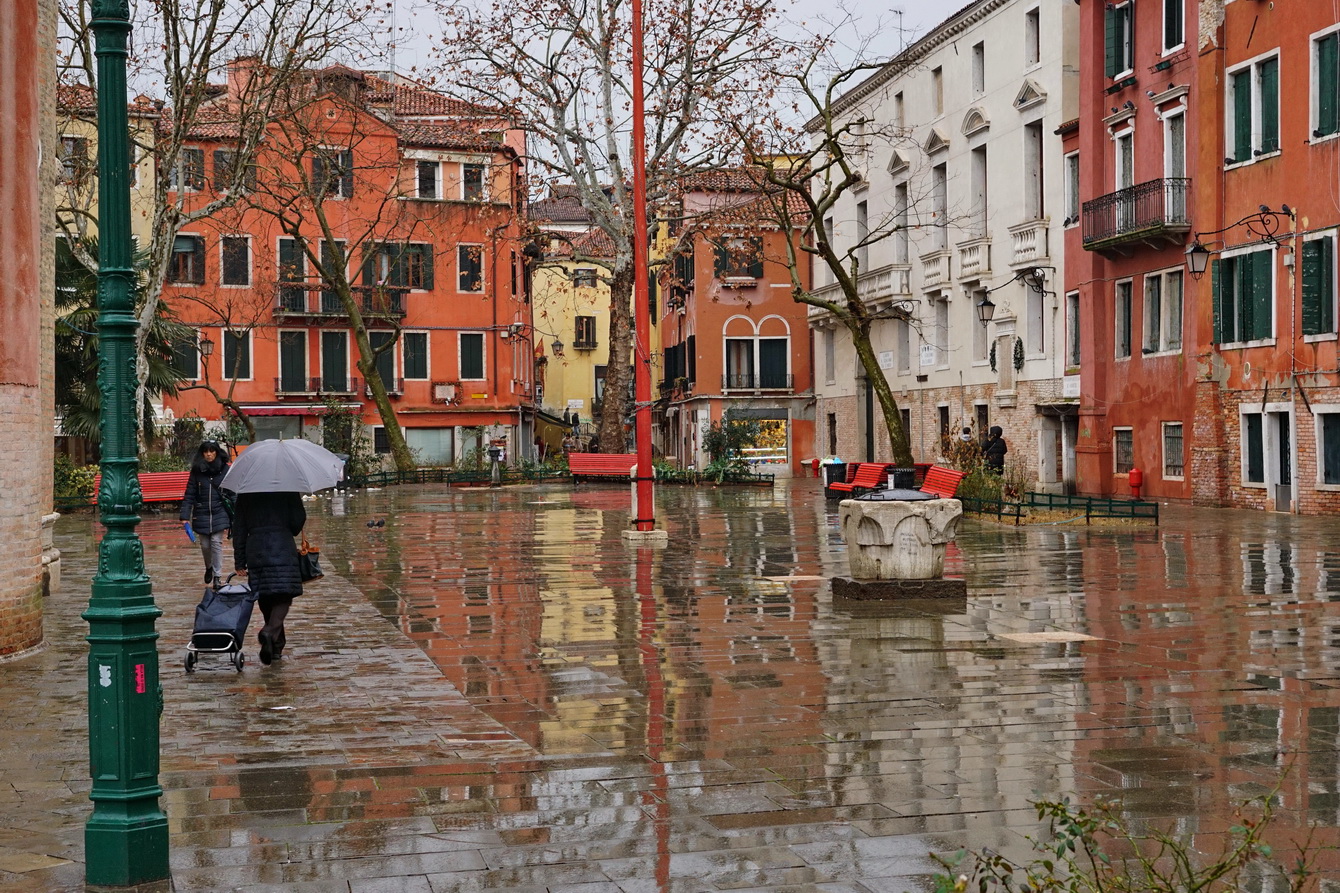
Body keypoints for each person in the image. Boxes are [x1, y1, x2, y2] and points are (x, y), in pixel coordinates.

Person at [231, 490, 306, 665]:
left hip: (256, 548)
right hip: (281, 546)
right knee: (283, 596)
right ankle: (270, 631)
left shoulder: (246, 491)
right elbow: (296, 523)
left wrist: (240, 561)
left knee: (265, 594)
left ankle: (275, 647)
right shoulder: (287, 488)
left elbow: (239, 527)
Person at [180, 440, 232, 587]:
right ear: (202, 453)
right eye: (206, 451)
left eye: (212, 451)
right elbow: (190, 493)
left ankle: (217, 576)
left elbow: (232, 492)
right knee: (205, 545)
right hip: (201, 512)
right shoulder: (197, 471)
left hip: (219, 511)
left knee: (216, 542)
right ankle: (208, 567)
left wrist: (237, 513)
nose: (209, 454)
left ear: (216, 452)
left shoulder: (225, 470)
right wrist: (185, 516)